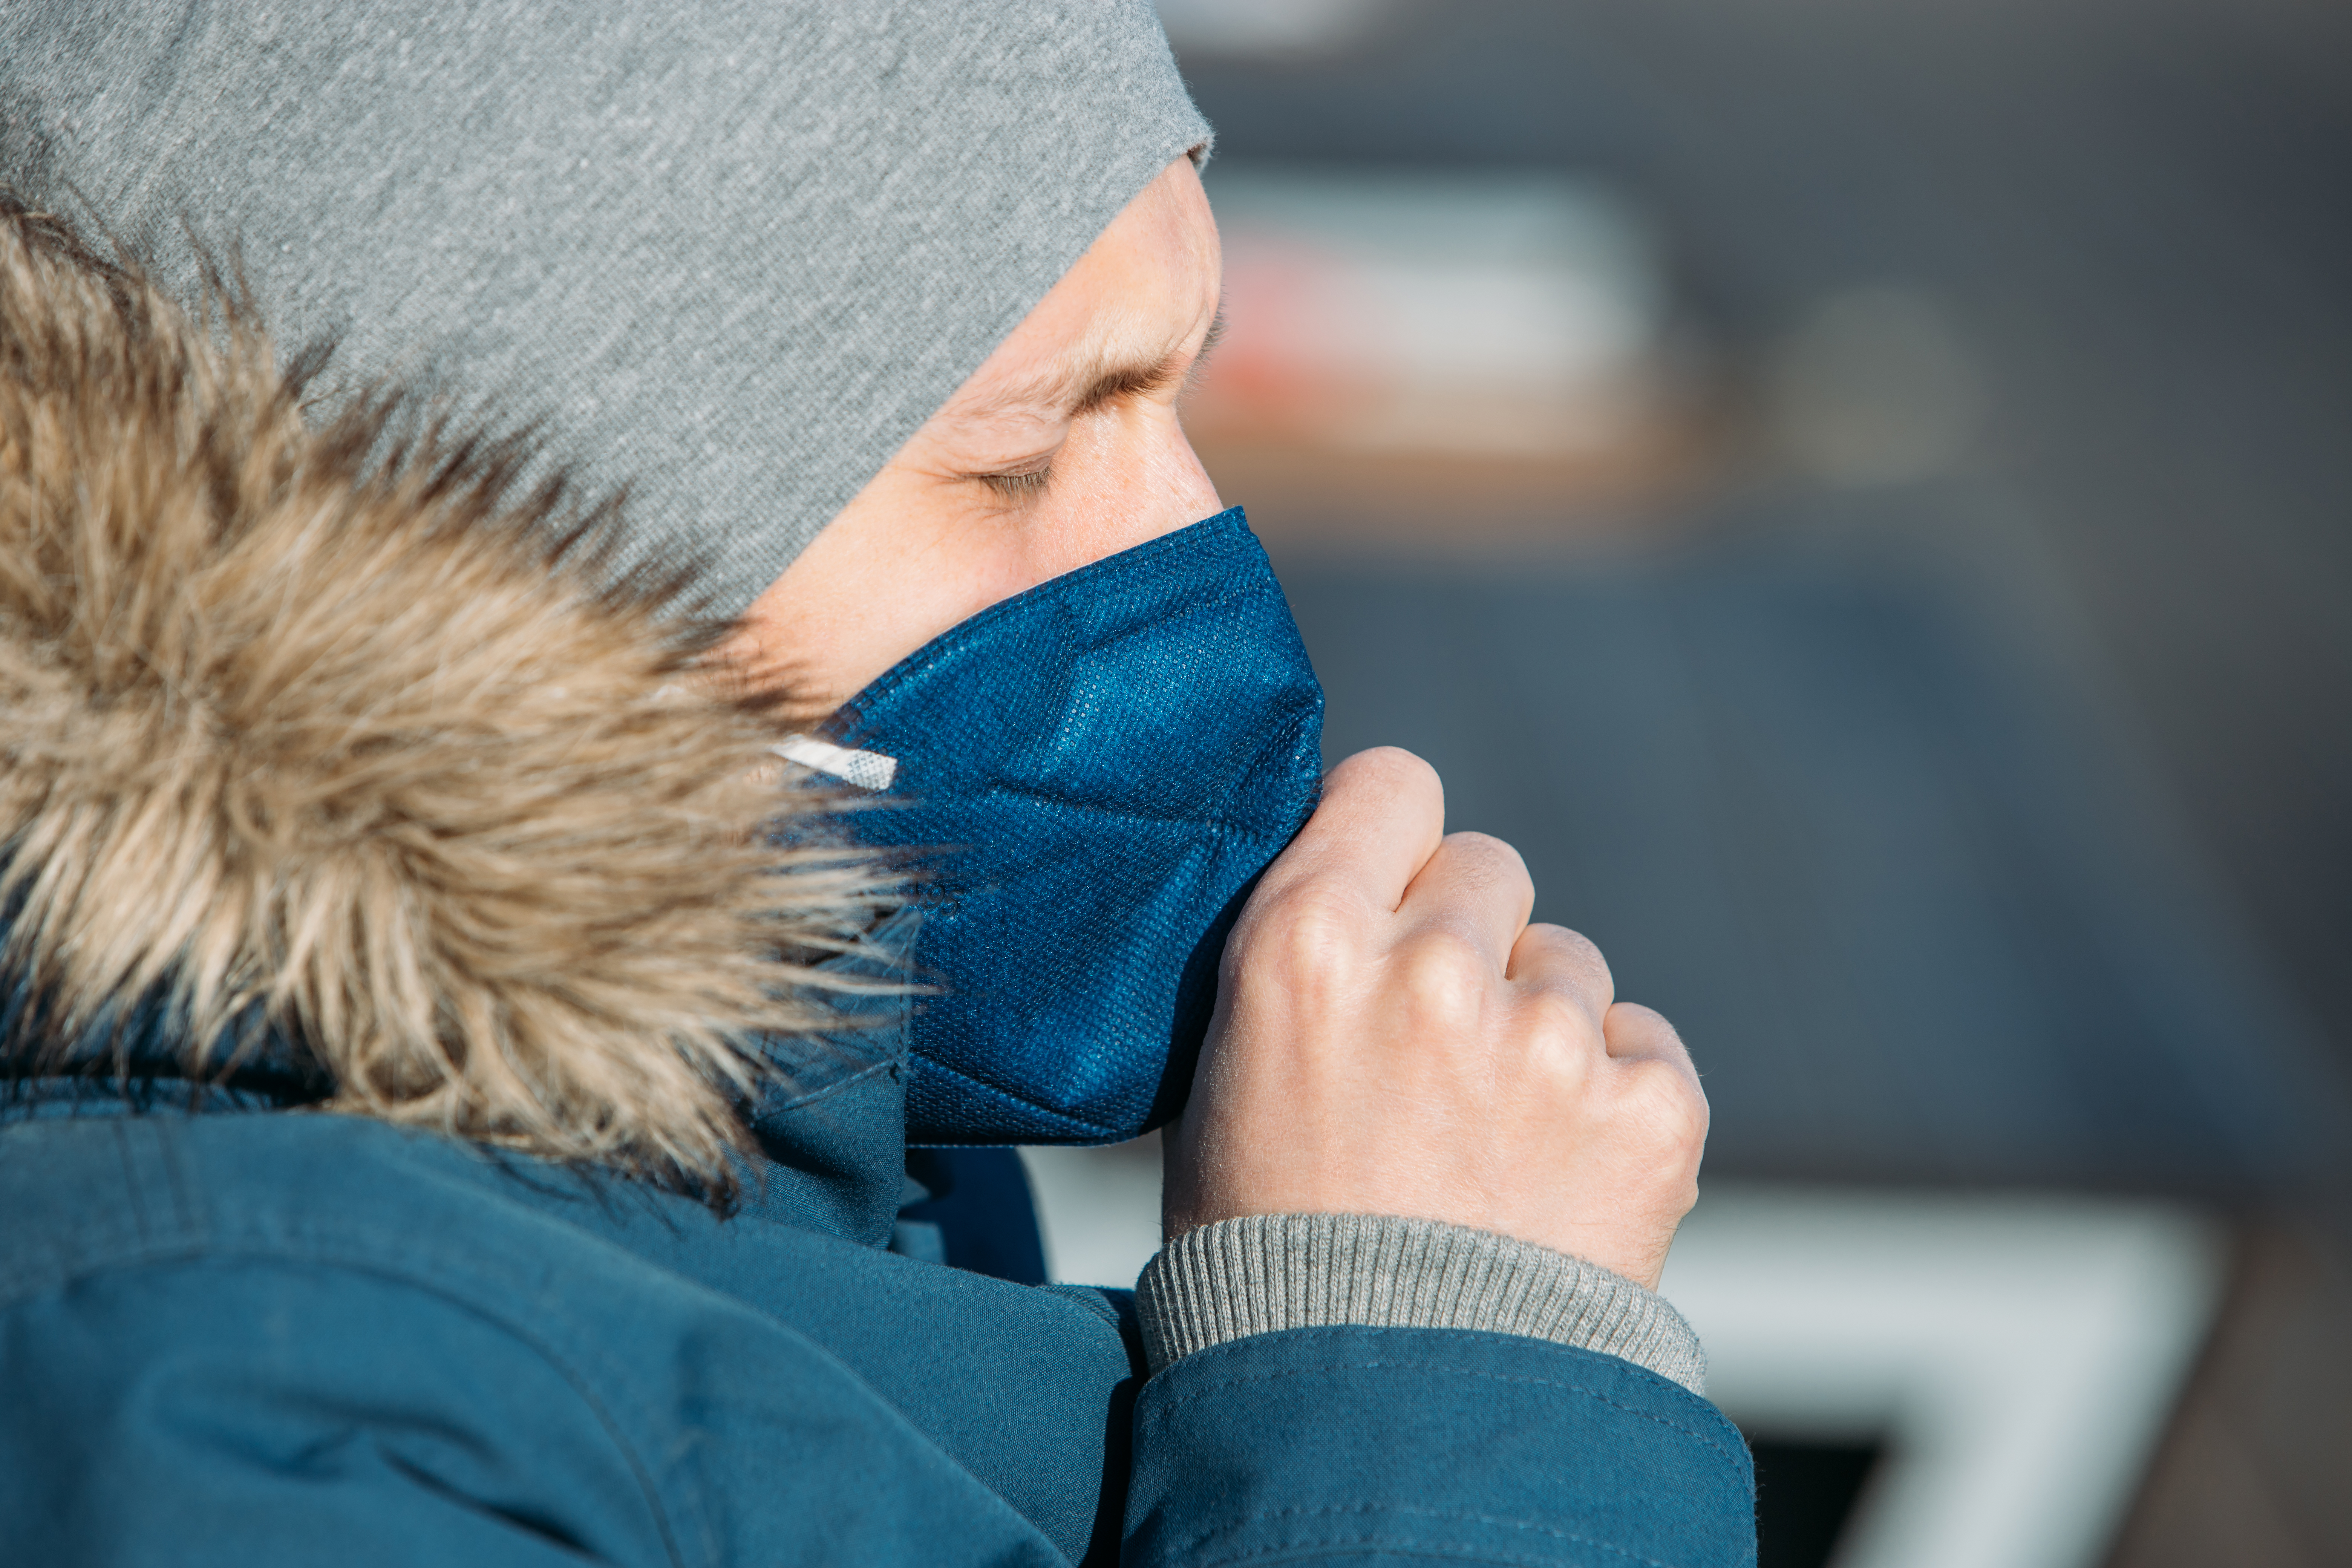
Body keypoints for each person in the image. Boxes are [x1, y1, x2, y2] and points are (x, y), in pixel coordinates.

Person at [0, 3, 1752, 1564]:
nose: (1194, 550)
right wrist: (1429, 1370)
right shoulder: (235, 1404)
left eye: (1177, 394)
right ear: (472, 548)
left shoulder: (820, 1096)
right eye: (1023, 454)